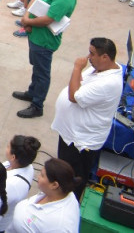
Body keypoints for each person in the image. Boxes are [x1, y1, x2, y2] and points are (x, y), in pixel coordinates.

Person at [49, 37, 123, 199]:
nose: (88, 57)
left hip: (81, 141)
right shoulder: (99, 67)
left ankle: (68, 202)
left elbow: (74, 96)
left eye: (92, 53)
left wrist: (76, 69)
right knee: (64, 170)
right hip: (71, 133)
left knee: (73, 177)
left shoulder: (109, 83)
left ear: (105, 57)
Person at [15, 0, 77, 119]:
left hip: (44, 40)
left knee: (42, 72)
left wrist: (28, 22)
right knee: (36, 66)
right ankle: (32, 92)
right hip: (34, 34)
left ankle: (37, 105)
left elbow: (48, 19)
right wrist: (26, 16)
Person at [8, 159, 81, 233]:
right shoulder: (60, 192)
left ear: (54, 185)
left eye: (42, 175)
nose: (38, 176)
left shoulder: (59, 227)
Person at [0, 136, 42, 233]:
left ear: (13, 157)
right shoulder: (27, 166)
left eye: (8, 147)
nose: (6, 148)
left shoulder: (12, 185)